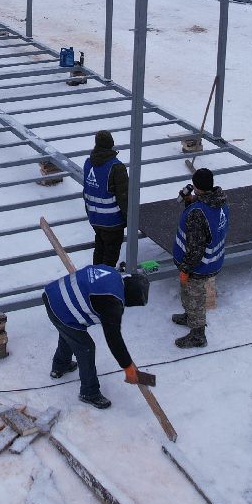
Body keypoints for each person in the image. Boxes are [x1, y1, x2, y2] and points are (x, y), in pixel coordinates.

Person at [44, 262, 149, 409]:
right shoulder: (112, 303)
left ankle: (60, 365)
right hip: (60, 307)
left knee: (71, 333)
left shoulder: (113, 274)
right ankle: (89, 392)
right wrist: (127, 366)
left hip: (54, 293)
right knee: (86, 347)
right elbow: (114, 339)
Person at [172, 167, 228, 349]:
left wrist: (186, 268)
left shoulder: (198, 213)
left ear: (196, 186)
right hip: (213, 260)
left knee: (194, 297)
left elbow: (196, 247)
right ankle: (189, 317)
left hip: (198, 266)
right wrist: (191, 203)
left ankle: (198, 335)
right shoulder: (219, 202)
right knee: (190, 295)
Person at [82, 130, 129, 267]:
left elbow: (86, 191)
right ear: (111, 144)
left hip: (95, 219)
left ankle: (95, 279)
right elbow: (124, 197)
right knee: (110, 256)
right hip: (112, 221)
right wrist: (130, 219)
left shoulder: (88, 163)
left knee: (100, 248)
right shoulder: (116, 167)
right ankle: (104, 283)